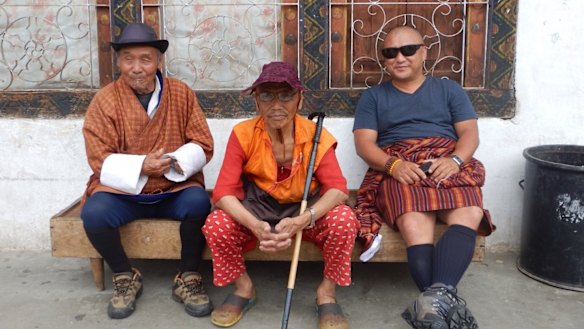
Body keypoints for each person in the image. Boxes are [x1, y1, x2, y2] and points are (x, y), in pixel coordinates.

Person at [353, 26, 495, 329]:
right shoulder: (373, 97)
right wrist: (392, 166)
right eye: (390, 53)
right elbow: (364, 144)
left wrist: (455, 161)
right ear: (385, 60)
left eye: (408, 50)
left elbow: (469, 133)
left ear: (424, 52)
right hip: (399, 165)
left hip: (446, 161)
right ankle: (442, 305)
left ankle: (432, 307)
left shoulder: (449, 90)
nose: (400, 58)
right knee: (414, 223)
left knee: (469, 210)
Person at [202, 61, 358, 329]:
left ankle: (326, 293)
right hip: (257, 207)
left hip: (303, 207)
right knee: (216, 225)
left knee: (344, 220)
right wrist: (254, 225)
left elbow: (338, 189)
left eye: (286, 95)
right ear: (256, 102)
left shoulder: (315, 135)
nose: (276, 105)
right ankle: (244, 288)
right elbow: (223, 192)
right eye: (266, 95)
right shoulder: (243, 133)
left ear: (299, 99)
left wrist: (303, 219)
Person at [80, 23, 214, 320]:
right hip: (124, 192)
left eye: (145, 59)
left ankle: (188, 275)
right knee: (94, 213)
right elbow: (98, 157)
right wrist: (142, 165)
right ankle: (124, 275)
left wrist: (171, 163)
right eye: (128, 59)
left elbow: (202, 142)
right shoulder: (104, 100)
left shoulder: (181, 93)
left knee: (199, 203)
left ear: (159, 61)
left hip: (172, 187)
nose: (136, 68)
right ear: (118, 62)